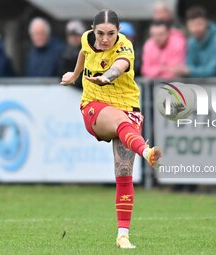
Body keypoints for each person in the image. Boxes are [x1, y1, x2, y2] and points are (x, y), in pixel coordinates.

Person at [60, 9, 162, 249]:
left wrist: (108, 76)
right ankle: (146, 151)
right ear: (93, 31)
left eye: (111, 33)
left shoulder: (125, 47)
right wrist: (75, 76)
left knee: (124, 172)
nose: (105, 39)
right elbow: (84, 53)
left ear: (119, 32)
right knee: (117, 121)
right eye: (100, 33)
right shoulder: (87, 39)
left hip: (129, 109)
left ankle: (123, 235)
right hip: (95, 107)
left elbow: (119, 66)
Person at [173, 6, 216, 77]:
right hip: (199, 85)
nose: (195, 29)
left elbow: (213, 70)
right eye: (192, 25)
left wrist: (190, 71)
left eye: (199, 24)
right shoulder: (191, 42)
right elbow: (188, 65)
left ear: (207, 22)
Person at [59, 20, 86, 89]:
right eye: (71, 35)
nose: (74, 38)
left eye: (77, 35)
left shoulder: (88, 53)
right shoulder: (63, 54)